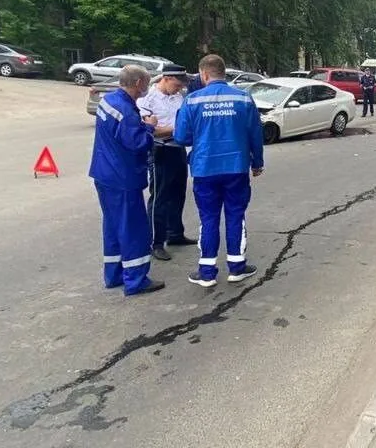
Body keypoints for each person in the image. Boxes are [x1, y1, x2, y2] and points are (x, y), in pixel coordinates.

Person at [174, 54, 264, 289]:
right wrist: (257, 163)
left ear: (204, 74)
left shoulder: (192, 100)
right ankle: (236, 268)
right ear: (223, 73)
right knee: (235, 214)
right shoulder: (244, 98)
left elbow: (181, 137)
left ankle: (207, 273)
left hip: (204, 168)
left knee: (208, 218)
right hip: (236, 167)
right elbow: (256, 134)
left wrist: (201, 134)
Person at [89, 64, 165, 296]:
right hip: (123, 177)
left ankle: (114, 275)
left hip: (103, 173)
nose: (147, 88)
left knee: (113, 226)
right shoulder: (125, 109)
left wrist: (139, 125)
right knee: (133, 228)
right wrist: (150, 128)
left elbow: (118, 131)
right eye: (147, 83)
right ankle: (136, 280)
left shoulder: (109, 100)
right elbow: (137, 143)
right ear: (139, 84)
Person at [137, 65, 198, 262]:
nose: (179, 88)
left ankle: (175, 233)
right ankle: (156, 242)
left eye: (182, 85)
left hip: (177, 148)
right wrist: (177, 128)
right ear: (166, 78)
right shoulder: (148, 100)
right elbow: (149, 129)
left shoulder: (179, 97)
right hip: (159, 150)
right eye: (177, 84)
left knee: (178, 193)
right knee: (160, 197)